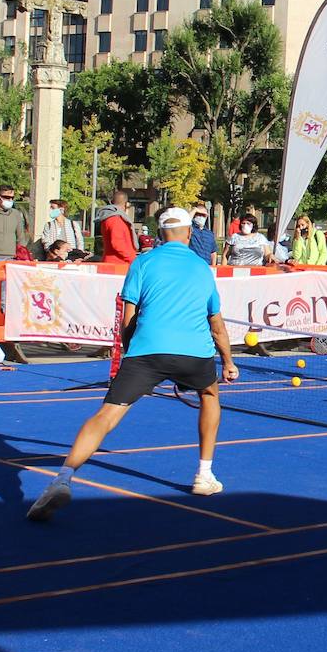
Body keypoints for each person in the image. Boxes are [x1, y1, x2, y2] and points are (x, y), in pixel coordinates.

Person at [27, 208, 240, 521]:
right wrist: (228, 362)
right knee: (210, 396)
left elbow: (128, 318)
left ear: (159, 234)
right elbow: (217, 325)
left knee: (106, 415)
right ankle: (204, 475)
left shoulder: (142, 262)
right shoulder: (202, 268)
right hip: (195, 353)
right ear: (189, 234)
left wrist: (133, 358)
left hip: (146, 352)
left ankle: (63, 479)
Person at [95, 191, 137, 264]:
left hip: (113, 262)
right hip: (118, 264)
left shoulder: (110, 218)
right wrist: (133, 259)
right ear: (126, 204)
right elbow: (118, 244)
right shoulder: (116, 219)